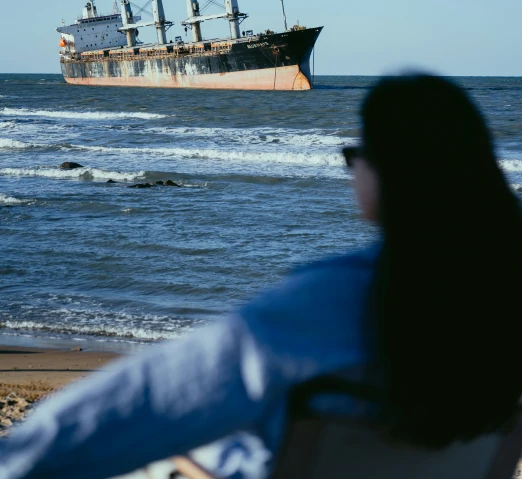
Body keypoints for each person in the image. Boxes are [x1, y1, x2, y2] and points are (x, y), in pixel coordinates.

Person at [1, 73, 521, 479]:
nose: (350, 169)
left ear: (388, 170)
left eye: (353, 155)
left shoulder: (337, 300)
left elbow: (150, 397)